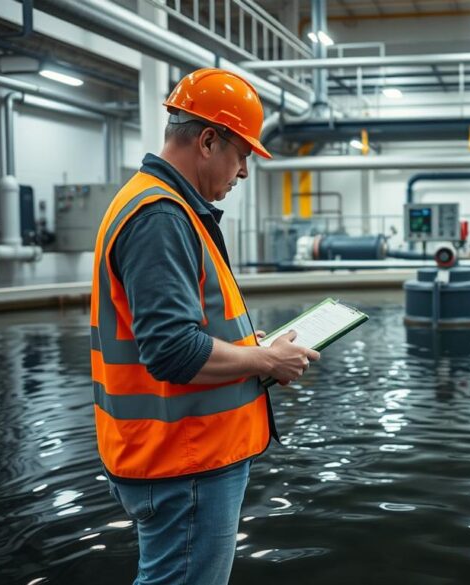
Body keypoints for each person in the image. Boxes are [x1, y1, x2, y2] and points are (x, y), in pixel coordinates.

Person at [89, 68, 320, 585]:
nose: (242, 173)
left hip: (180, 455)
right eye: (241, 156)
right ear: (209, 140)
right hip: (184, 460)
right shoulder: (161, 216)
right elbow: (172, 350)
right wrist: (266, 360)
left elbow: (181, 328)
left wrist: (252, 346)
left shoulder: (164, 207)